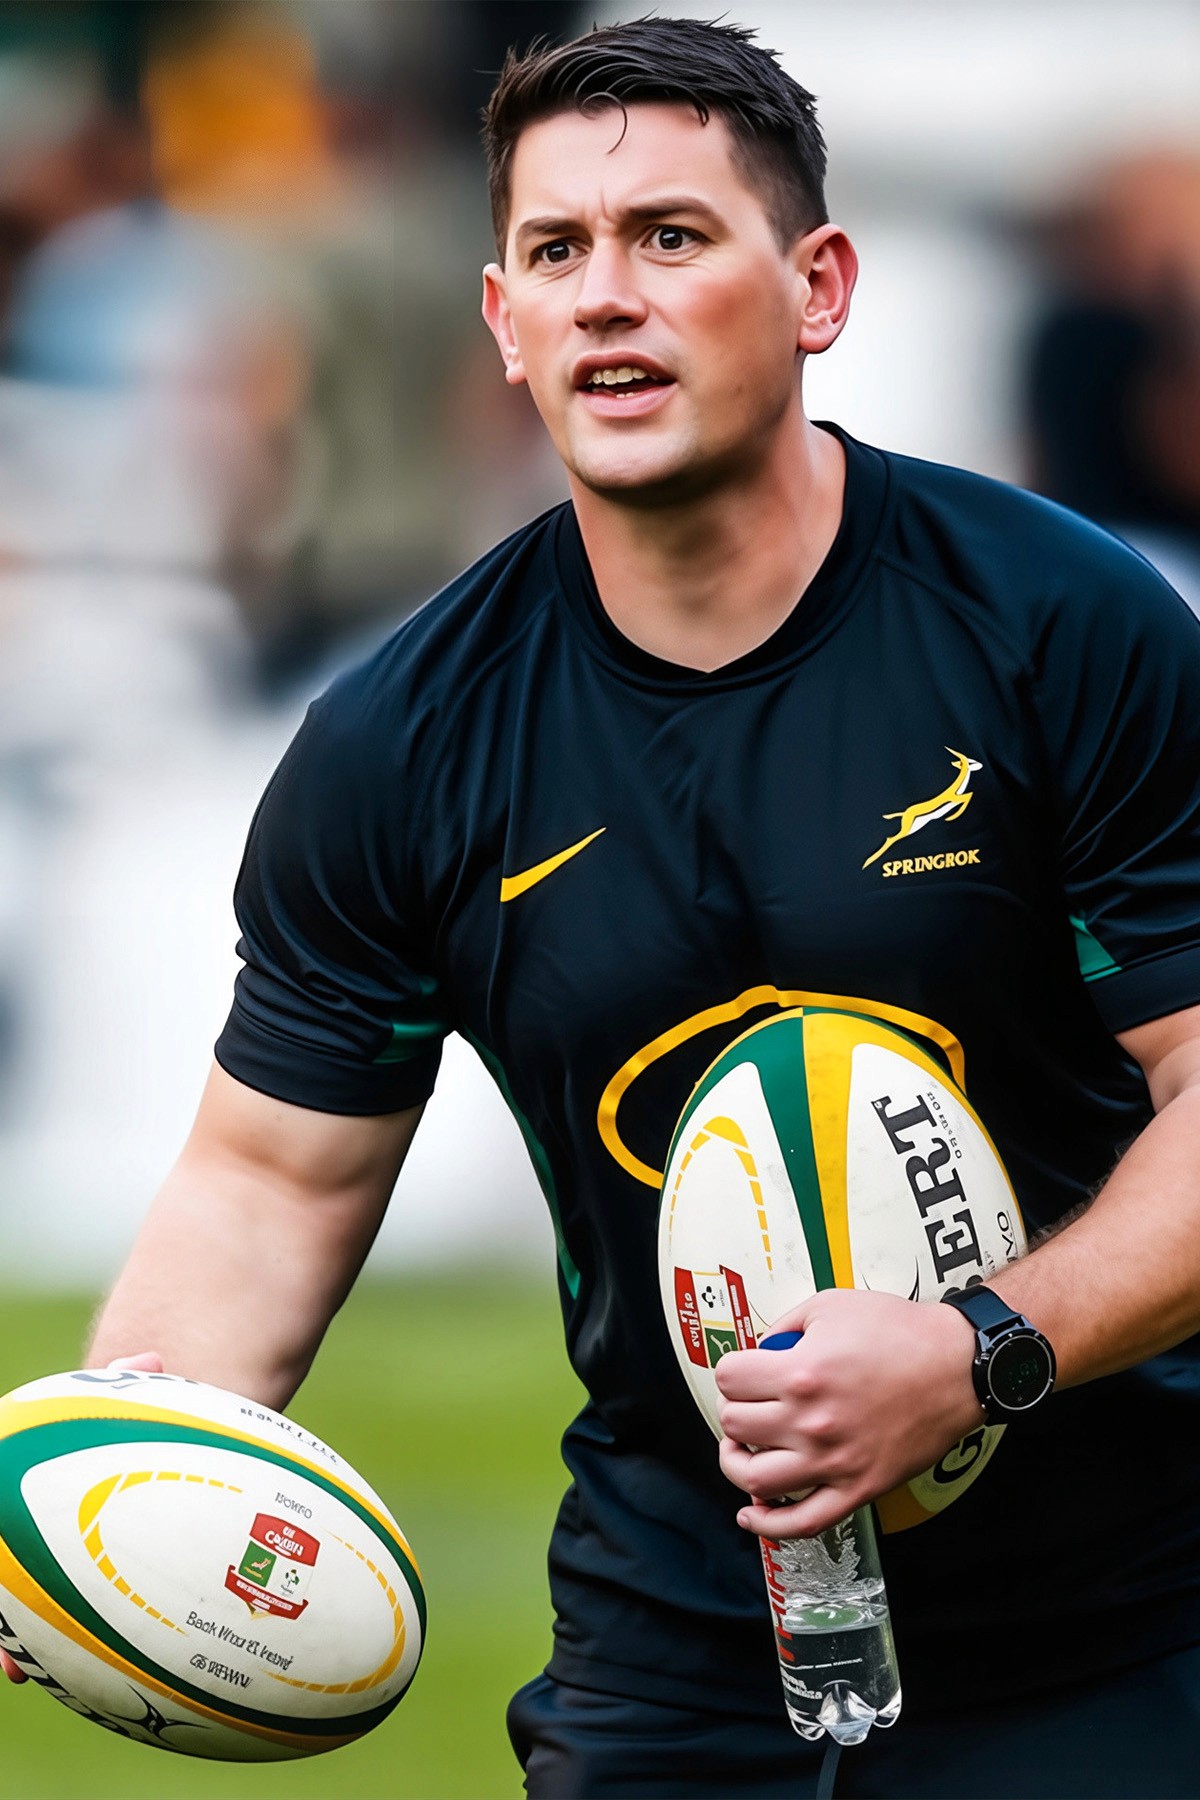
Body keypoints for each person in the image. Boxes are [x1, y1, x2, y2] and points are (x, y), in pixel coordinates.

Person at [7, 18, 1200, 1798]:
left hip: (1122, 1632)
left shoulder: (1060, 627)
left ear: (818, 288)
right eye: (558, 252)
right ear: (504, 322)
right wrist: (103, 1495)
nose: (607, 296)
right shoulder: (401, 741)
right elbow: (270, 1178)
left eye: (671, 236)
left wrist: (980, 1351)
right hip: (673, 1659)